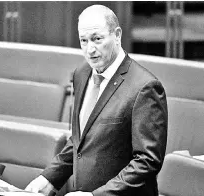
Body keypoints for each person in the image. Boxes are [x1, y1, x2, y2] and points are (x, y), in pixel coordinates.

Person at [26, 4, 168, 196]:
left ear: (117, 35)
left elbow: (147, 161)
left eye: (97, 39)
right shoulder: (81, 74)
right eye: (83, 41)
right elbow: (81, 140)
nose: (90, 49)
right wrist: (49, 178)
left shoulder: (145, 87)